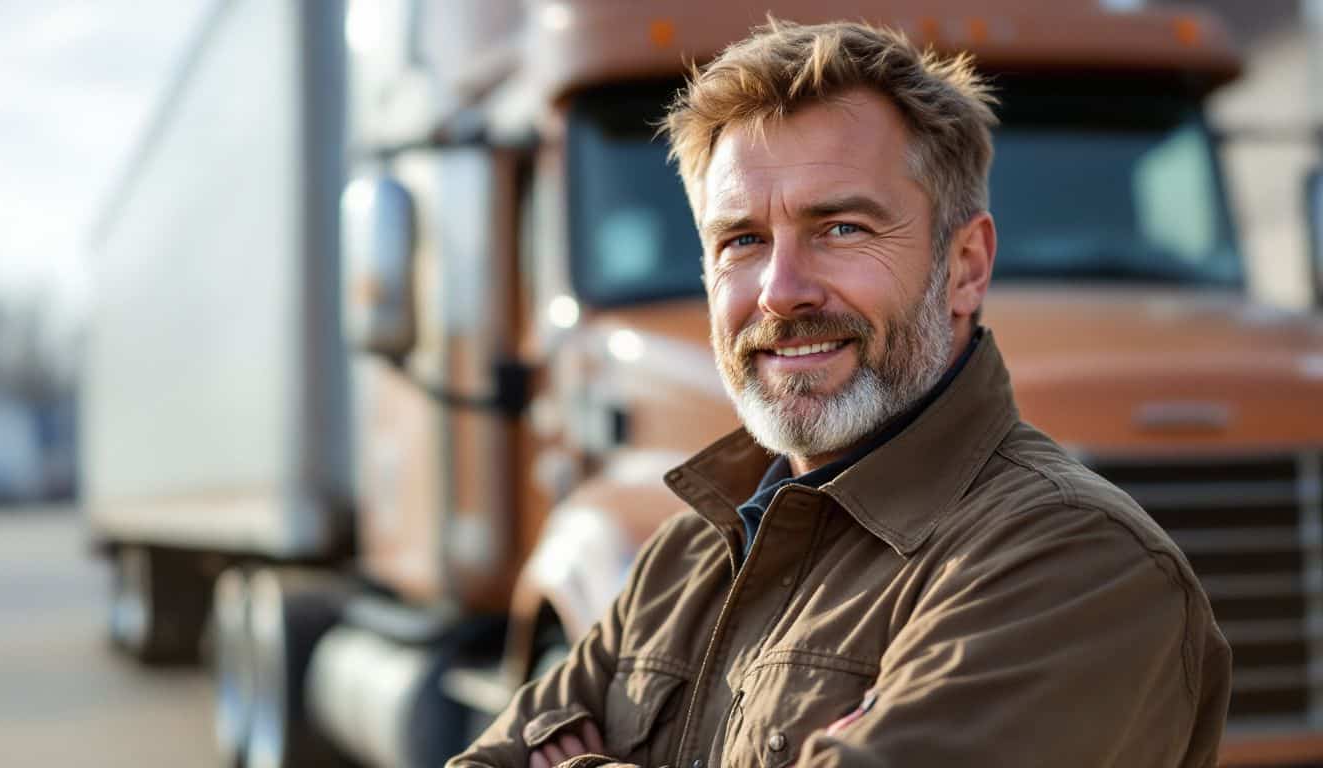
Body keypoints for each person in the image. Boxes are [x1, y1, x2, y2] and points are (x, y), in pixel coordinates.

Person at [449, 18, 1231, 768]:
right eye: (742, 241)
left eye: (842, 229)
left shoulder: (1074, 565)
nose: (781, 292)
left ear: (965, 267)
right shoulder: (683, 558)